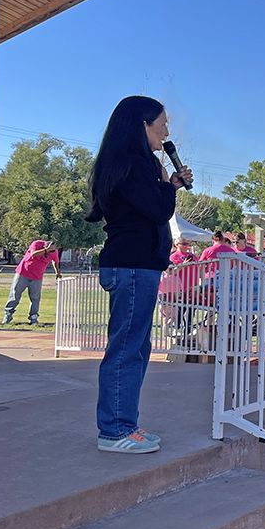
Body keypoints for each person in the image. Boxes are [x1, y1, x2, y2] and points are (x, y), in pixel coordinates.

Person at [86, 95, 191, 453]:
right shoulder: (131, 163)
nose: (166, 132)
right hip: (131, 267)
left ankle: (124, 423)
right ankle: (114, 431)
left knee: (136, 348)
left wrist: (167, 183)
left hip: (139, 266)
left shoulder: (136, 162)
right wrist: (169, 185)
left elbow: (152, 203)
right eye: (161, 124)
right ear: (142, 125)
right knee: (127, 349)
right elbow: (157, 208)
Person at [2, 239, 61, 325]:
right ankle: (8, 315)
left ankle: (33, 318)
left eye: (52, 250)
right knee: (15, 295)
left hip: (37, 277)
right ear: (45, 245)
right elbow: (34, 254)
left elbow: (55, 262)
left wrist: (57, 272)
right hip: (23, 273)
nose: (50, 252)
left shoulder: (54, 251)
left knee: (35, 298)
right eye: (49, 249)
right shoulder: (36, 244)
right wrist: (46, 250)